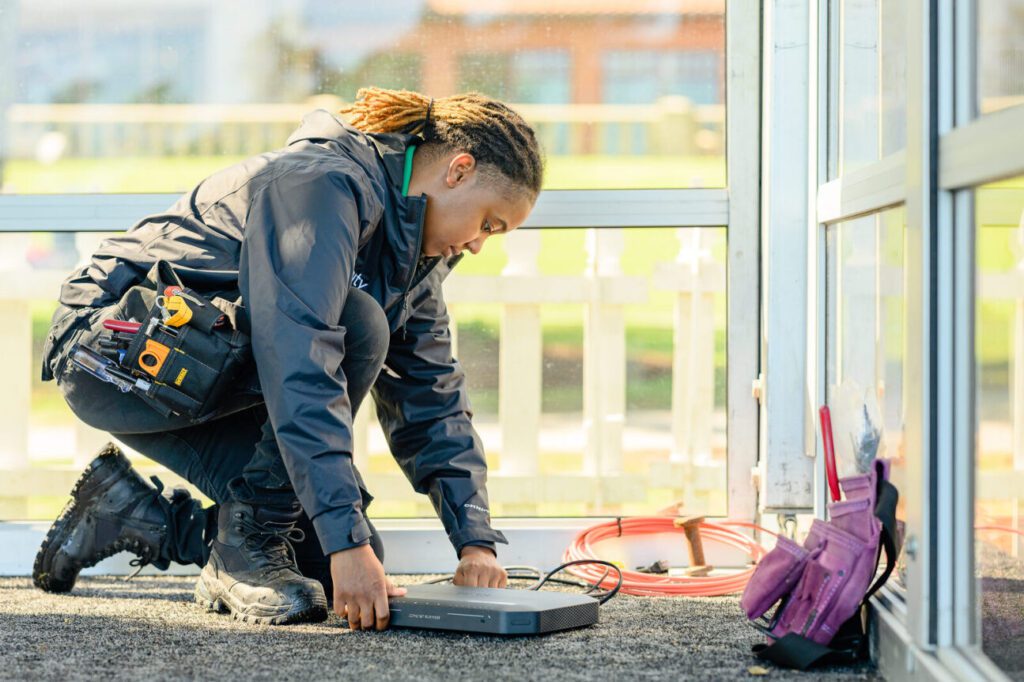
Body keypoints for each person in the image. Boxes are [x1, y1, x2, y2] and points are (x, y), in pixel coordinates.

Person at [33, 88, 543, 631]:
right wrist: (343, 533)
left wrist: (475, 542)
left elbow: (429, 394)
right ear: (458, 171)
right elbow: (301, 357)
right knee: (358, 325)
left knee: (322, 564)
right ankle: (244, 546)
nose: (480, 244)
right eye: (489, 223)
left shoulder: (413, 257)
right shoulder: (321, 184)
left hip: (208, 364)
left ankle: (126, 512)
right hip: (110, 350)